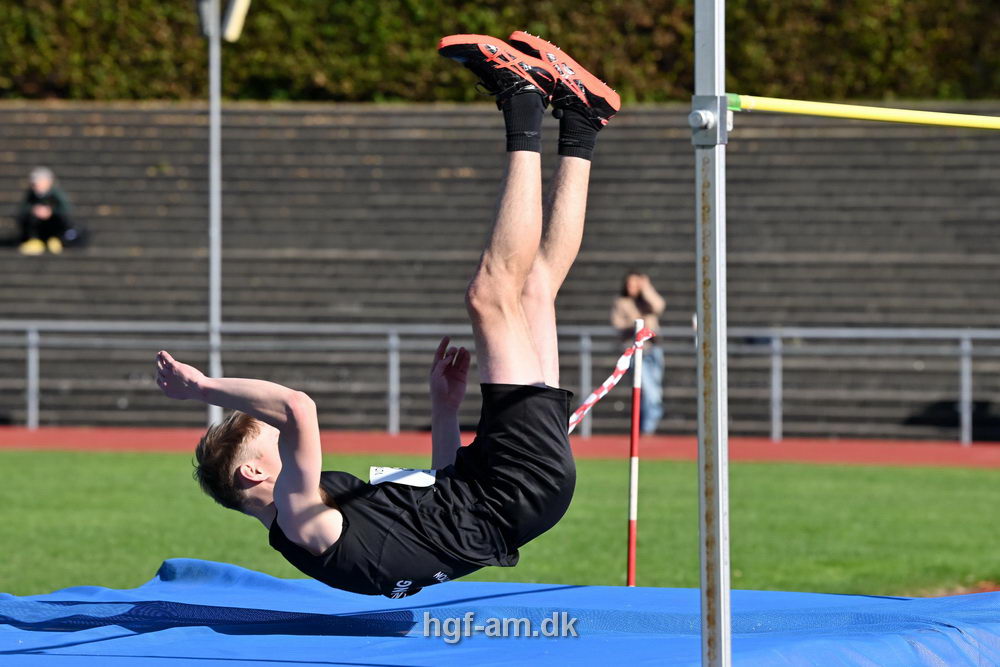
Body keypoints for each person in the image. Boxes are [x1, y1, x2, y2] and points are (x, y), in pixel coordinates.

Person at [155, 32, 620, 599]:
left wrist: (443, 409)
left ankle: (581, 122)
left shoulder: (330, 517)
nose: (281, 434)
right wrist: (204, 388)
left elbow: (444, 498)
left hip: (509, 491)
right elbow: (298, 407)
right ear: (255, 473)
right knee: (490, 295)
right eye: (267, 436)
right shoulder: (300, 520)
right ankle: (521, 103)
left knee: (533, 292)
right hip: (513, 486)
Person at [611, 271, 666, 434]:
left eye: (636, 284)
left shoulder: (646, 301)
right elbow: (617, 324)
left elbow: (659, 305)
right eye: (629, 284)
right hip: (636, 351)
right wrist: (636, 327)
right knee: (649, 391)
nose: (632, 287)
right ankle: (647, 428)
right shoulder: (621, 302)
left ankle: (646, 425)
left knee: (654, 388)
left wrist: (647, 288)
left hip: (653, 350)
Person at [16, 167, 72, 255]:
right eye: (34, 183)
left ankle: (56, 239)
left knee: (62, 218)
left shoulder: (55, 193)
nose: (36, 186)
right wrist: (34, 210)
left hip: (53, 224)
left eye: (39, 182)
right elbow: (22, 209)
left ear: (48, 182)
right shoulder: (31, 194)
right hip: (38, 226)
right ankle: (34, 240)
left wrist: (51, 212)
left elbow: (66, 209)